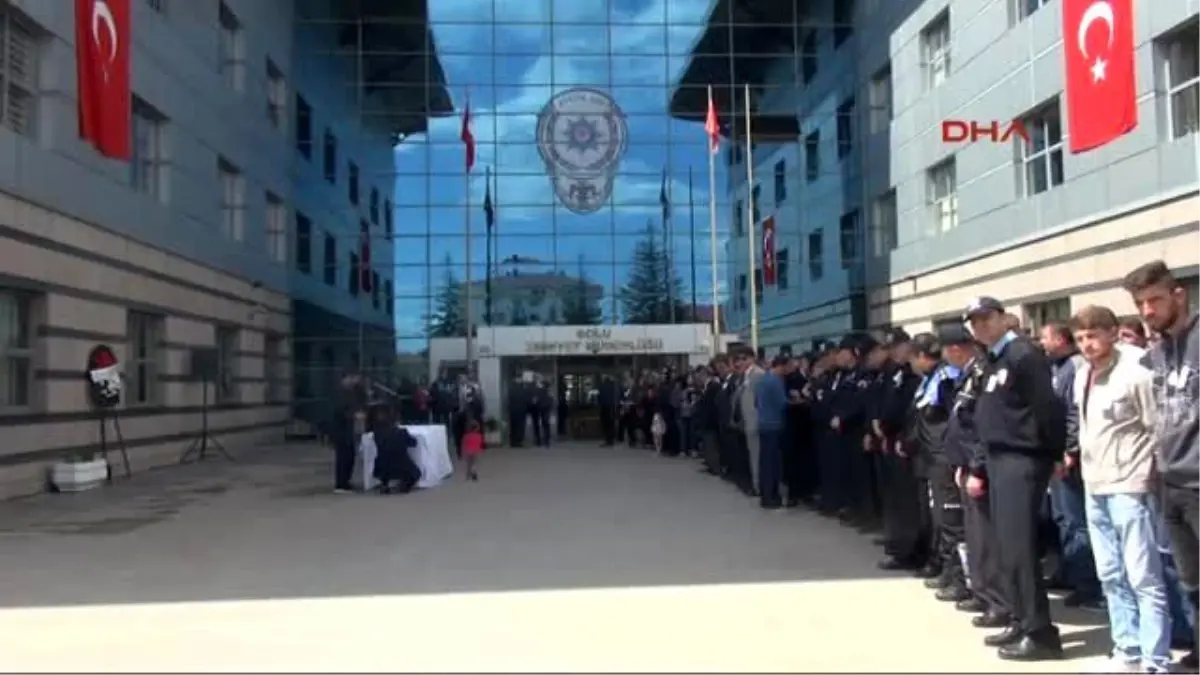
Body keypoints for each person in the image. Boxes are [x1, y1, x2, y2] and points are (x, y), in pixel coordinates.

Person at [1070, 304, 1171, 672]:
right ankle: (1126, 649)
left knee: (1143, 575)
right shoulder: (1083, 374)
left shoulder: (1137, 372)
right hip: (1094, 484)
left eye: (1094, 335)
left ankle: (1154, 659)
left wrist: (1150, 478)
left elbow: (1157, 428)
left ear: (1112, 333)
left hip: (1130, 485)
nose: (1087, 344)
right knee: (1110, 574)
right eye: (1080, 338)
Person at [966, 295, 1063, 660]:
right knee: (1008, 547)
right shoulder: (994, 360)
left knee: (1021, 549)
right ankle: (1022, 620)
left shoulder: (1023, 355)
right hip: (997, 459)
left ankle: (1041, 633)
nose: (981, 326)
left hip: (1021, 459)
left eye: (987, 318)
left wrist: (1054, 453)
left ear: (1004, 318)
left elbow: (1048, 408)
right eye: (975, 322)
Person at [1122, 260, 1200, 668]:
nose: (1148, 311)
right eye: (1141, 304)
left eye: (1155, 300)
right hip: (1170, 482)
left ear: (1179, 295)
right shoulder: (1157, 353)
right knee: (1190, 578)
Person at [942, 326, 1012, 629]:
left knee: (986, 538)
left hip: (980, 466)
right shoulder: (972, 372)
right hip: (968, 464)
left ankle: (998, 601)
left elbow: (982, 426)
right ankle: (983, 592)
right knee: (975, 535)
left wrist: (976, 466)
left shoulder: (984, 371)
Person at [1038, 322, 1101, 609]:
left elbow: (1073, 412)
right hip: (1055, 453)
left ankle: (1087, 584)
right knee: (1062, 517)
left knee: (1076, 521)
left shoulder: (1074, 367)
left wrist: (1069, 450)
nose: (1041, 343)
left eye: (1045, 337)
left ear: (1061, 340)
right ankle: (1068, 572)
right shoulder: (1057, 367)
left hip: (1068, 456)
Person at [877, 333, 934, 572]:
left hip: (910, 445)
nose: (894, 353)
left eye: (897, 348)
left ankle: (912, 551)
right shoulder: (895, 372)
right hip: (895, 441)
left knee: (912, 506)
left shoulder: (916, 377)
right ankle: (900, 547)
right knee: (899, 502)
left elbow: (911, 413)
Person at [755, 355, 790, 510]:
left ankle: (765, 494)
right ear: (782, 366)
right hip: (774, 424)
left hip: (762, 424)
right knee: (773, 463)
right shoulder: (776, 381)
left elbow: (756, 402)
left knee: (764, 462)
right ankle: (772, 497)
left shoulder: (762, 379)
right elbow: (782, 404)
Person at [732, 346, 764, 496]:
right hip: (746, 421)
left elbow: (759, 400)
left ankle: (758, 486)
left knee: (756, 455)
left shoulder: (757, 375)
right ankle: (754, 483)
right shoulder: (745, 376)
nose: (740, 363)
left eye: (743, 359)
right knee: (752, 454)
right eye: (738, 359)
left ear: (752, 358)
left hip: (754, 421)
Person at [330, 372, 367, 494]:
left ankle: (346, 481)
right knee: (343, 457)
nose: (355, 381)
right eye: (353, 378)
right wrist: (354, 415)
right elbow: (340, 411)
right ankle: (341, 483)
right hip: (341, 430)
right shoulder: (340, 393)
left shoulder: (352, 392)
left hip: (349, 430)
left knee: (350, 456)